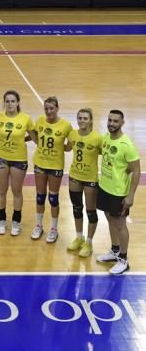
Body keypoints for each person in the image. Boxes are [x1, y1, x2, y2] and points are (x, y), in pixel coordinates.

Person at [96, 110, 140, 275]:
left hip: (119, 193)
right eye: (110, 120)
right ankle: (114, 251)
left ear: (122, 123)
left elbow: (136, 170)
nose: (112, 124)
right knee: (110, 219)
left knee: (120, 225)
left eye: (115, 121)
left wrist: (130, 195)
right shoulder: (106, 138)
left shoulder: (127, 145)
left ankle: (123, 259)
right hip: (105, 187)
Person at [0, 90, 36, 236]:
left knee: (16, 191)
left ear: (18, 102)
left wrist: (22, 140)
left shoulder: (26, 118)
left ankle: (16, 221)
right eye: (7, 101)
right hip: (1, 157)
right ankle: (1, 220)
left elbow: (34, 136)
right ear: (4, 103)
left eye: (13, 101)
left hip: (18, 159)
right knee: (1, 190)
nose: (10, 104)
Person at [31, 96, 72, 243]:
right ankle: (38, 225)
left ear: (57, 108)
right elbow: (34, 134)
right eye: (46, 109)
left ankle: (54, 229)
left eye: (51, 108)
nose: (49, 111)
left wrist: (63, 147)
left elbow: (69, 146)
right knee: (40, 196)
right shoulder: (40, 121)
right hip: (40, 163)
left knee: (53, 198)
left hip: (55, 166)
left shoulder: (66, 125)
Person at [66, 108, 102, 258]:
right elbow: (67, 148)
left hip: (90, 179)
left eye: (85, 118)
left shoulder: (97, 138)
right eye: (80, 118)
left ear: (90, 120)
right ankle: (79, 237)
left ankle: (89, 242)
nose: (82, 121)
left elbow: (105, 153)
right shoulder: (73, 134)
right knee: (76, 208)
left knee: (90, 211)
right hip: (74, 176)